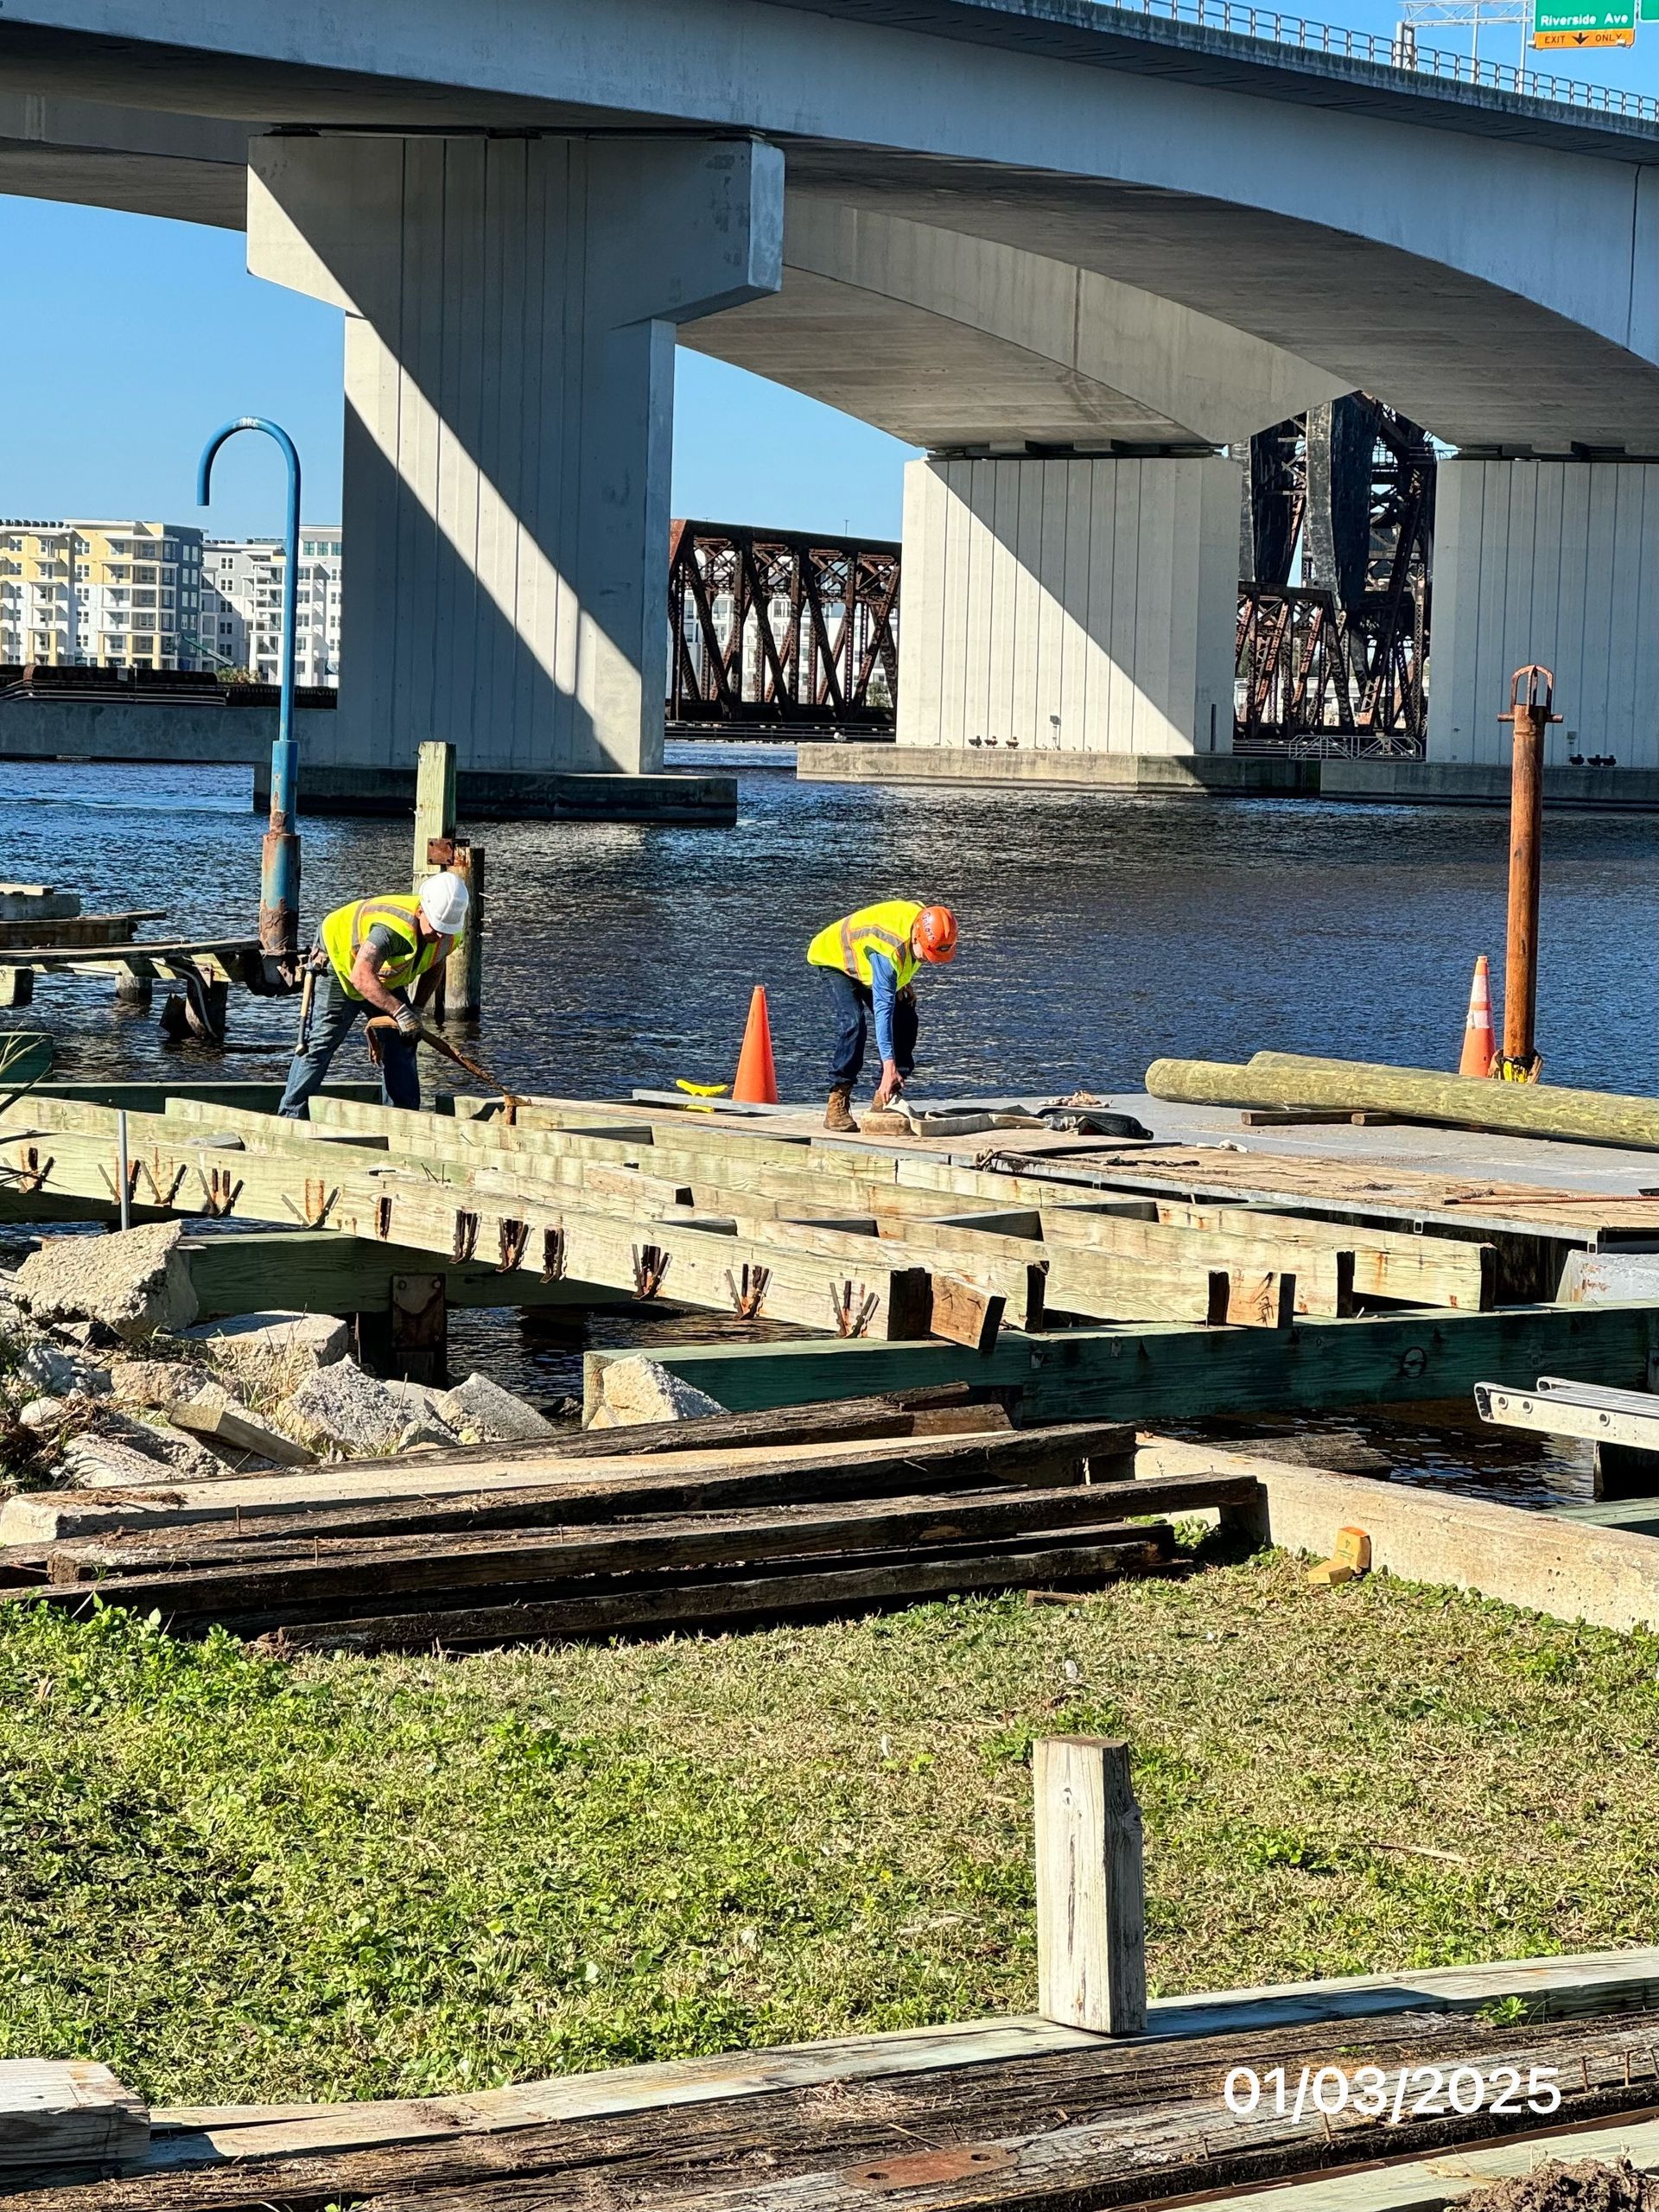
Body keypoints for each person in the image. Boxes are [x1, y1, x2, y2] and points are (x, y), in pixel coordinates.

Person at [277, 872, 470, 1119]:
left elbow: (435, 964)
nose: (440, 935)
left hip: (383, 974)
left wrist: (417, 1010)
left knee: (403, 1040)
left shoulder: (449, 934)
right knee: (323, 1042)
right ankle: (291, 1115)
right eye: (435, 928)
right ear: (421, 911)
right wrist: (400, 1011)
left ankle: (403, 1118)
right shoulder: (391, 929)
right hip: (341, 962)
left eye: (446, 930)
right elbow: (361, 975)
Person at [805, 899, 958, 1132]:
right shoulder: (890, 951)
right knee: (854, 1024)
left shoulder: (925, 920)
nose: (929, 960)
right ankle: (838, 1100)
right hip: (836, 959)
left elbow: (909, 958)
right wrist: (889, 1066)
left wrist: (903, 981)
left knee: (906, 1016)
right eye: (927, 954)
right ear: (916, 937)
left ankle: (885, 1097)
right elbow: (883, 1013)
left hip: (869, 960)